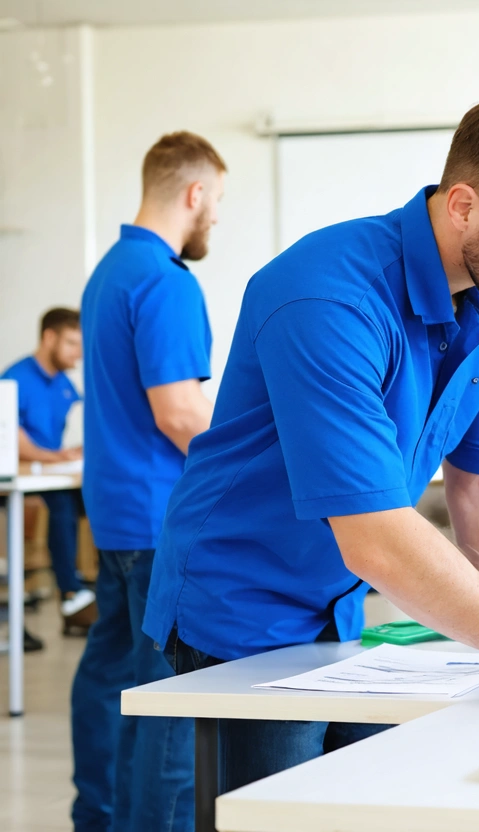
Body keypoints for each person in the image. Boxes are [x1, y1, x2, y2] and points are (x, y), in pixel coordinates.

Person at [143, 81, 479, 798]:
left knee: (372, 793)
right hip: (245, 604)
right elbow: (374, 535)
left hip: (343, 604)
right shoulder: (326, 295)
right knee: (285, 806)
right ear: (465, 206)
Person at [74, 131, 224, 832]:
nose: (217, 218)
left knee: (110, 679)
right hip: (160, 515)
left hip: (113, 512)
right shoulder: (164, 280)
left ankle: (97, 817)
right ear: (194, 194)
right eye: (217, 202)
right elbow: (181, 412)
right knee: (167, 696)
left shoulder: (109, 270)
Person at [0, 308, 94, 639]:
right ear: (49, 337)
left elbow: (61, 434)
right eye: (71, 343)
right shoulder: (15, 378)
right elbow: (9, 432)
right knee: (64, 504)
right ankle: (70, 591)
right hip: (20, 477)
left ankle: (86, 592)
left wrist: (72, 452)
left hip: (50, 474)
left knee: (96, 499)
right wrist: (51, 456)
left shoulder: (64, 384)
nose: (77, 353)